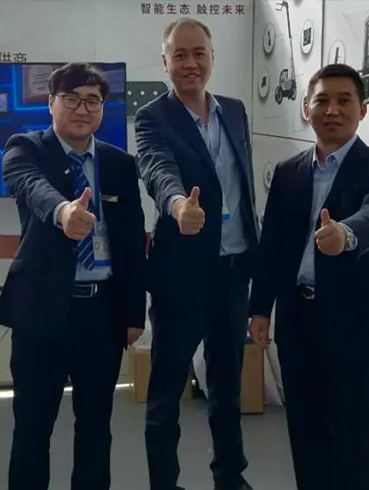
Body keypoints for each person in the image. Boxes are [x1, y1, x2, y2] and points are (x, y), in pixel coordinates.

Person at [248, 63, 369, 490]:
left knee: (357, 442)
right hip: (297, 322)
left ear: (362, 110)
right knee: (306, 436)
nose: (332, 110)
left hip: (354, 324)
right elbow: (272, 246)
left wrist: (347, 234)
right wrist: (260, 309)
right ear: (307, 109)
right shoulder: (289, 172)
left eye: (344, 100)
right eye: (322, 100)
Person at [0, 62, 147, 490]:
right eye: (72, 99)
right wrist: (63, 211)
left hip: (102, 313)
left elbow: (132, 241)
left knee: (96, 427)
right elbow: (30, 185)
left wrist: (134, 312)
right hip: (41, 312)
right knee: (32, 427)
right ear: (51, 103)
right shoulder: (26, 147)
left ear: (103, 109)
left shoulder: (119, 163)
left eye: (93, 101)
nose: (83, 109)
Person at [135, 17, 258, 490]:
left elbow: (242, 184)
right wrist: (177, 205)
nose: (191, 63)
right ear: (165, 61)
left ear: (212, 57)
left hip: (233, 271)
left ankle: (231, 478)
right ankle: (164, 483)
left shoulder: (235, 111)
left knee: (227, 387)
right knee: (166, 391)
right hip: (181, 276)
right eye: (180, 55)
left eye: (199, 53)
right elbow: (156, 168)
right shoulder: (153, 117)